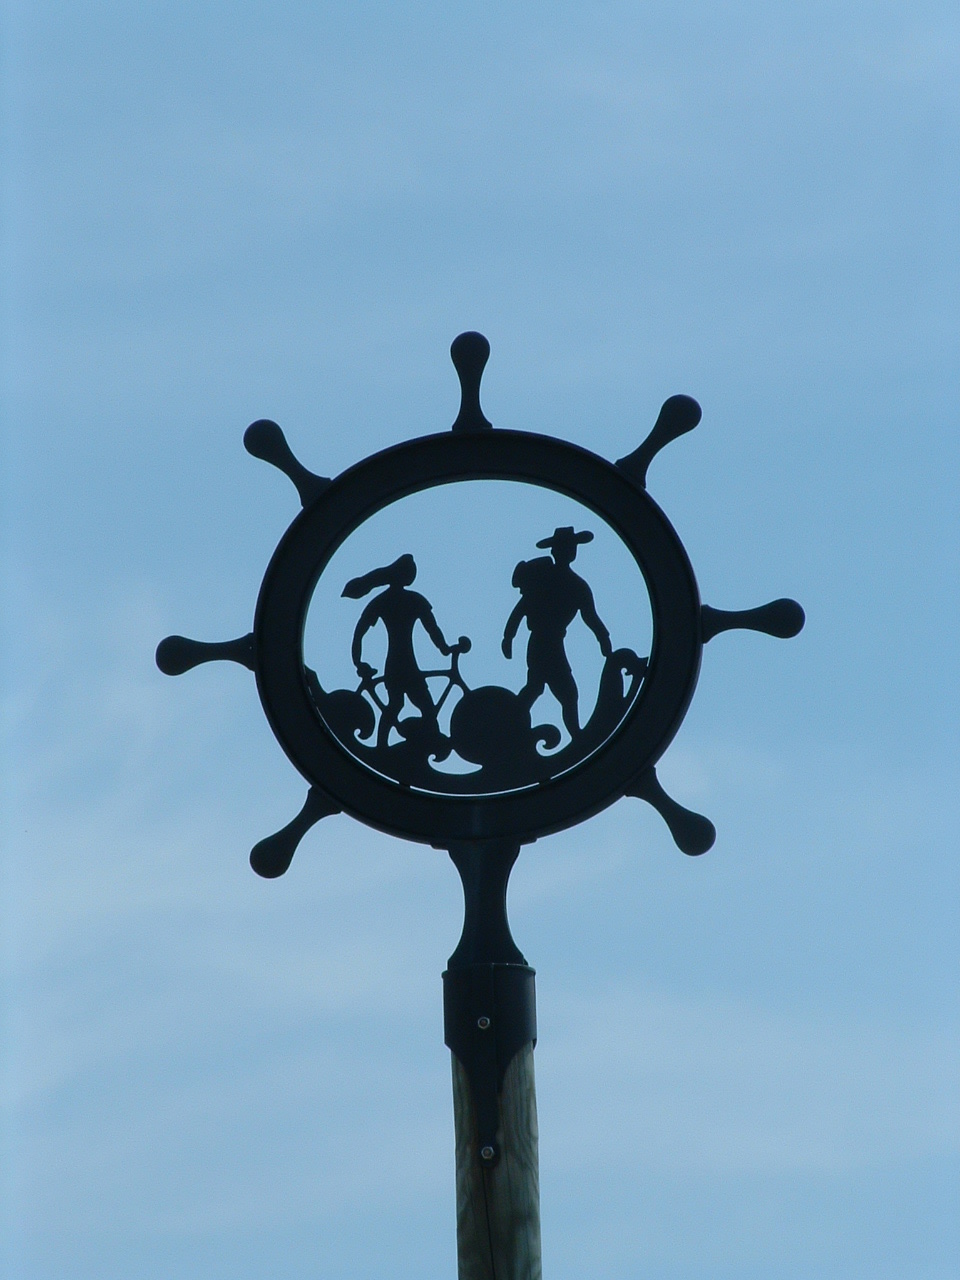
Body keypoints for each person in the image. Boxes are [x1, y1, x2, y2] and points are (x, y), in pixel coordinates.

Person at [502, 526, 612, 736]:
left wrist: (603, 638)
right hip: (542, 642)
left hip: (551, 642)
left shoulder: (578, 586)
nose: (569, 551)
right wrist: (508, 637)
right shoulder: (544, 579)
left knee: (538, 687)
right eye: (565, 547)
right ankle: (574, 734)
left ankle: (510, 723)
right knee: (562, 692)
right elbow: (521, 608)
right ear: (554, 551)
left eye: (571, 548)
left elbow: (590, 617)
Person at [344, 554, 452, 748]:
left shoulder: (382, 601)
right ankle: (415, 744)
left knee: (396, 705)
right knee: (424, 707)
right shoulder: (414, 600)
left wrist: (358, 662)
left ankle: (384, 747)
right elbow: (433, 630)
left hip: (394, 665)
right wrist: (445, 649)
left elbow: (359, 633)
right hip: (407, 666)